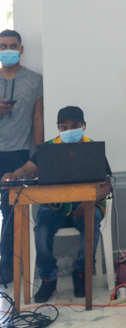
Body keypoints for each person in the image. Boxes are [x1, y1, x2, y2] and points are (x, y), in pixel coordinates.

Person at [1, 106, 112, 303]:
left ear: (83, 126)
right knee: (42, 225)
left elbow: (107, 185)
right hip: (56, 207)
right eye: (64, 127)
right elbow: (28, 168)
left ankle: (81, 273)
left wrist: (89, 202)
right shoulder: (49, 148)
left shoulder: (92, 148)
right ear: (58, 128)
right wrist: (14, 175)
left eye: (75, 126)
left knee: (91, 221)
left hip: (86, 204)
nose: (69, 130)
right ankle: (48, 278)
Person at [0, 29, 43, 284]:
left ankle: (8, 267)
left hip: (18, 155)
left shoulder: (35, 80)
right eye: (3, 46)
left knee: (11, 213)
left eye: (12, 46)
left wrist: (37, 158)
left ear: (21, 49)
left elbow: (38, 120)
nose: (8, 50)